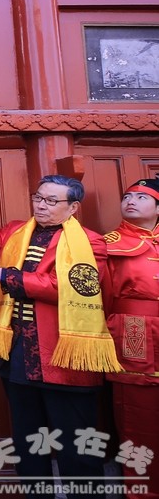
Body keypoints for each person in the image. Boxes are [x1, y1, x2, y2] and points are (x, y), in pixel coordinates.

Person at [0, 173, 120, 497]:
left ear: (73, 207)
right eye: (38, 198)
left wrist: (4, 275)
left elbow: (71, 287)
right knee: (29, 443)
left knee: (77, 446)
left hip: (65, 357)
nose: (42, 205)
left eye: (51, 201)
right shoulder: (15, 231)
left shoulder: (91, 242)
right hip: (18, 355)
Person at [103, 177, 159, 498]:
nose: (131, 201)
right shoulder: (108, 244)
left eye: (141, 197)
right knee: (138, 416)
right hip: (134, 331)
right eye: (126, 196)